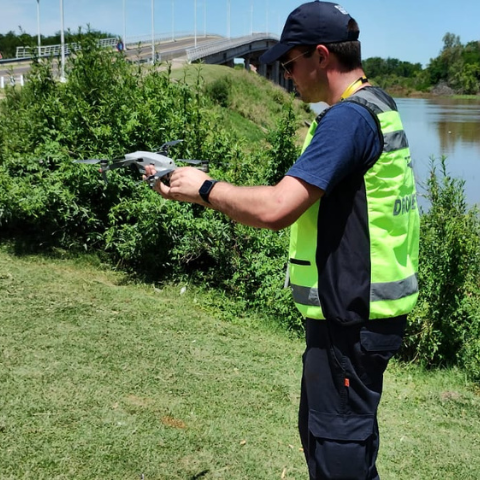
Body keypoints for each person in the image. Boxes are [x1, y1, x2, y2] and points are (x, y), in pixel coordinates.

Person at [147, 2, 418, 478]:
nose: (285, 74)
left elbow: (277, 208)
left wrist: (204, 189)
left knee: (339, 456)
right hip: (355, 317)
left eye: (289, 63)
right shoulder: (378, 107)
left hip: (349, 321)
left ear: (320, 56)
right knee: (329, 440)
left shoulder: (348, 120)